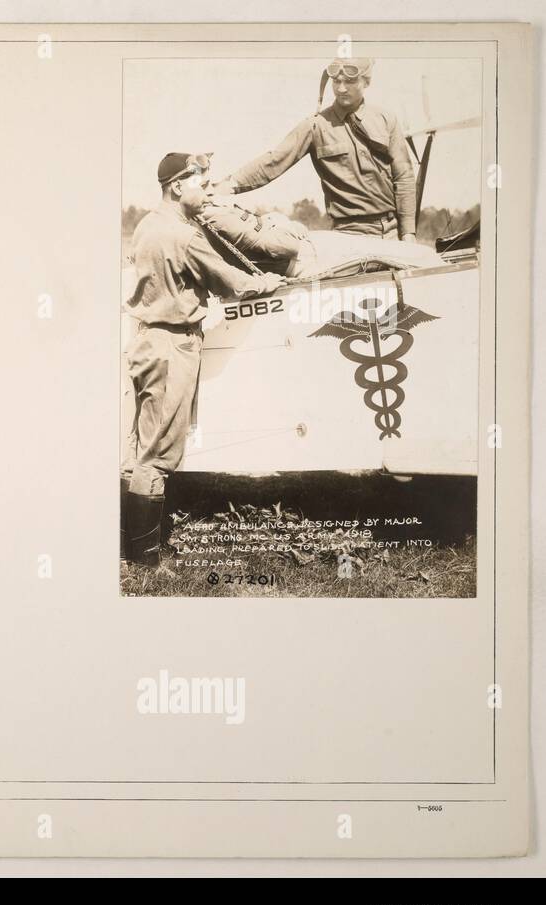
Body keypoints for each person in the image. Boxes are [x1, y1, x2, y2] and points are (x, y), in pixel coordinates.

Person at [122, 153, 284, 567]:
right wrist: (267, 281)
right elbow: (234, 284)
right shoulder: (184, 235)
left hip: (144, 342)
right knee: (157, 456)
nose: (206, 187)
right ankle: (144, 564)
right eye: (199, 180)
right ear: (177, 186)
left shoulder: (145, 226)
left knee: (138, 449)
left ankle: (128, 548)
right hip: (173, 347)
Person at [212, 58, 417, 242]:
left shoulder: (386, 119)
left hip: (392, 232)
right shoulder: (315, 126)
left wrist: (408, 233)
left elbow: (404, 177)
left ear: (366, 82)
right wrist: (228, 185)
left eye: (350, 81)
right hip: (349, 234)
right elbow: (274, 160)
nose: (342, 88)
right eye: (336, 81)